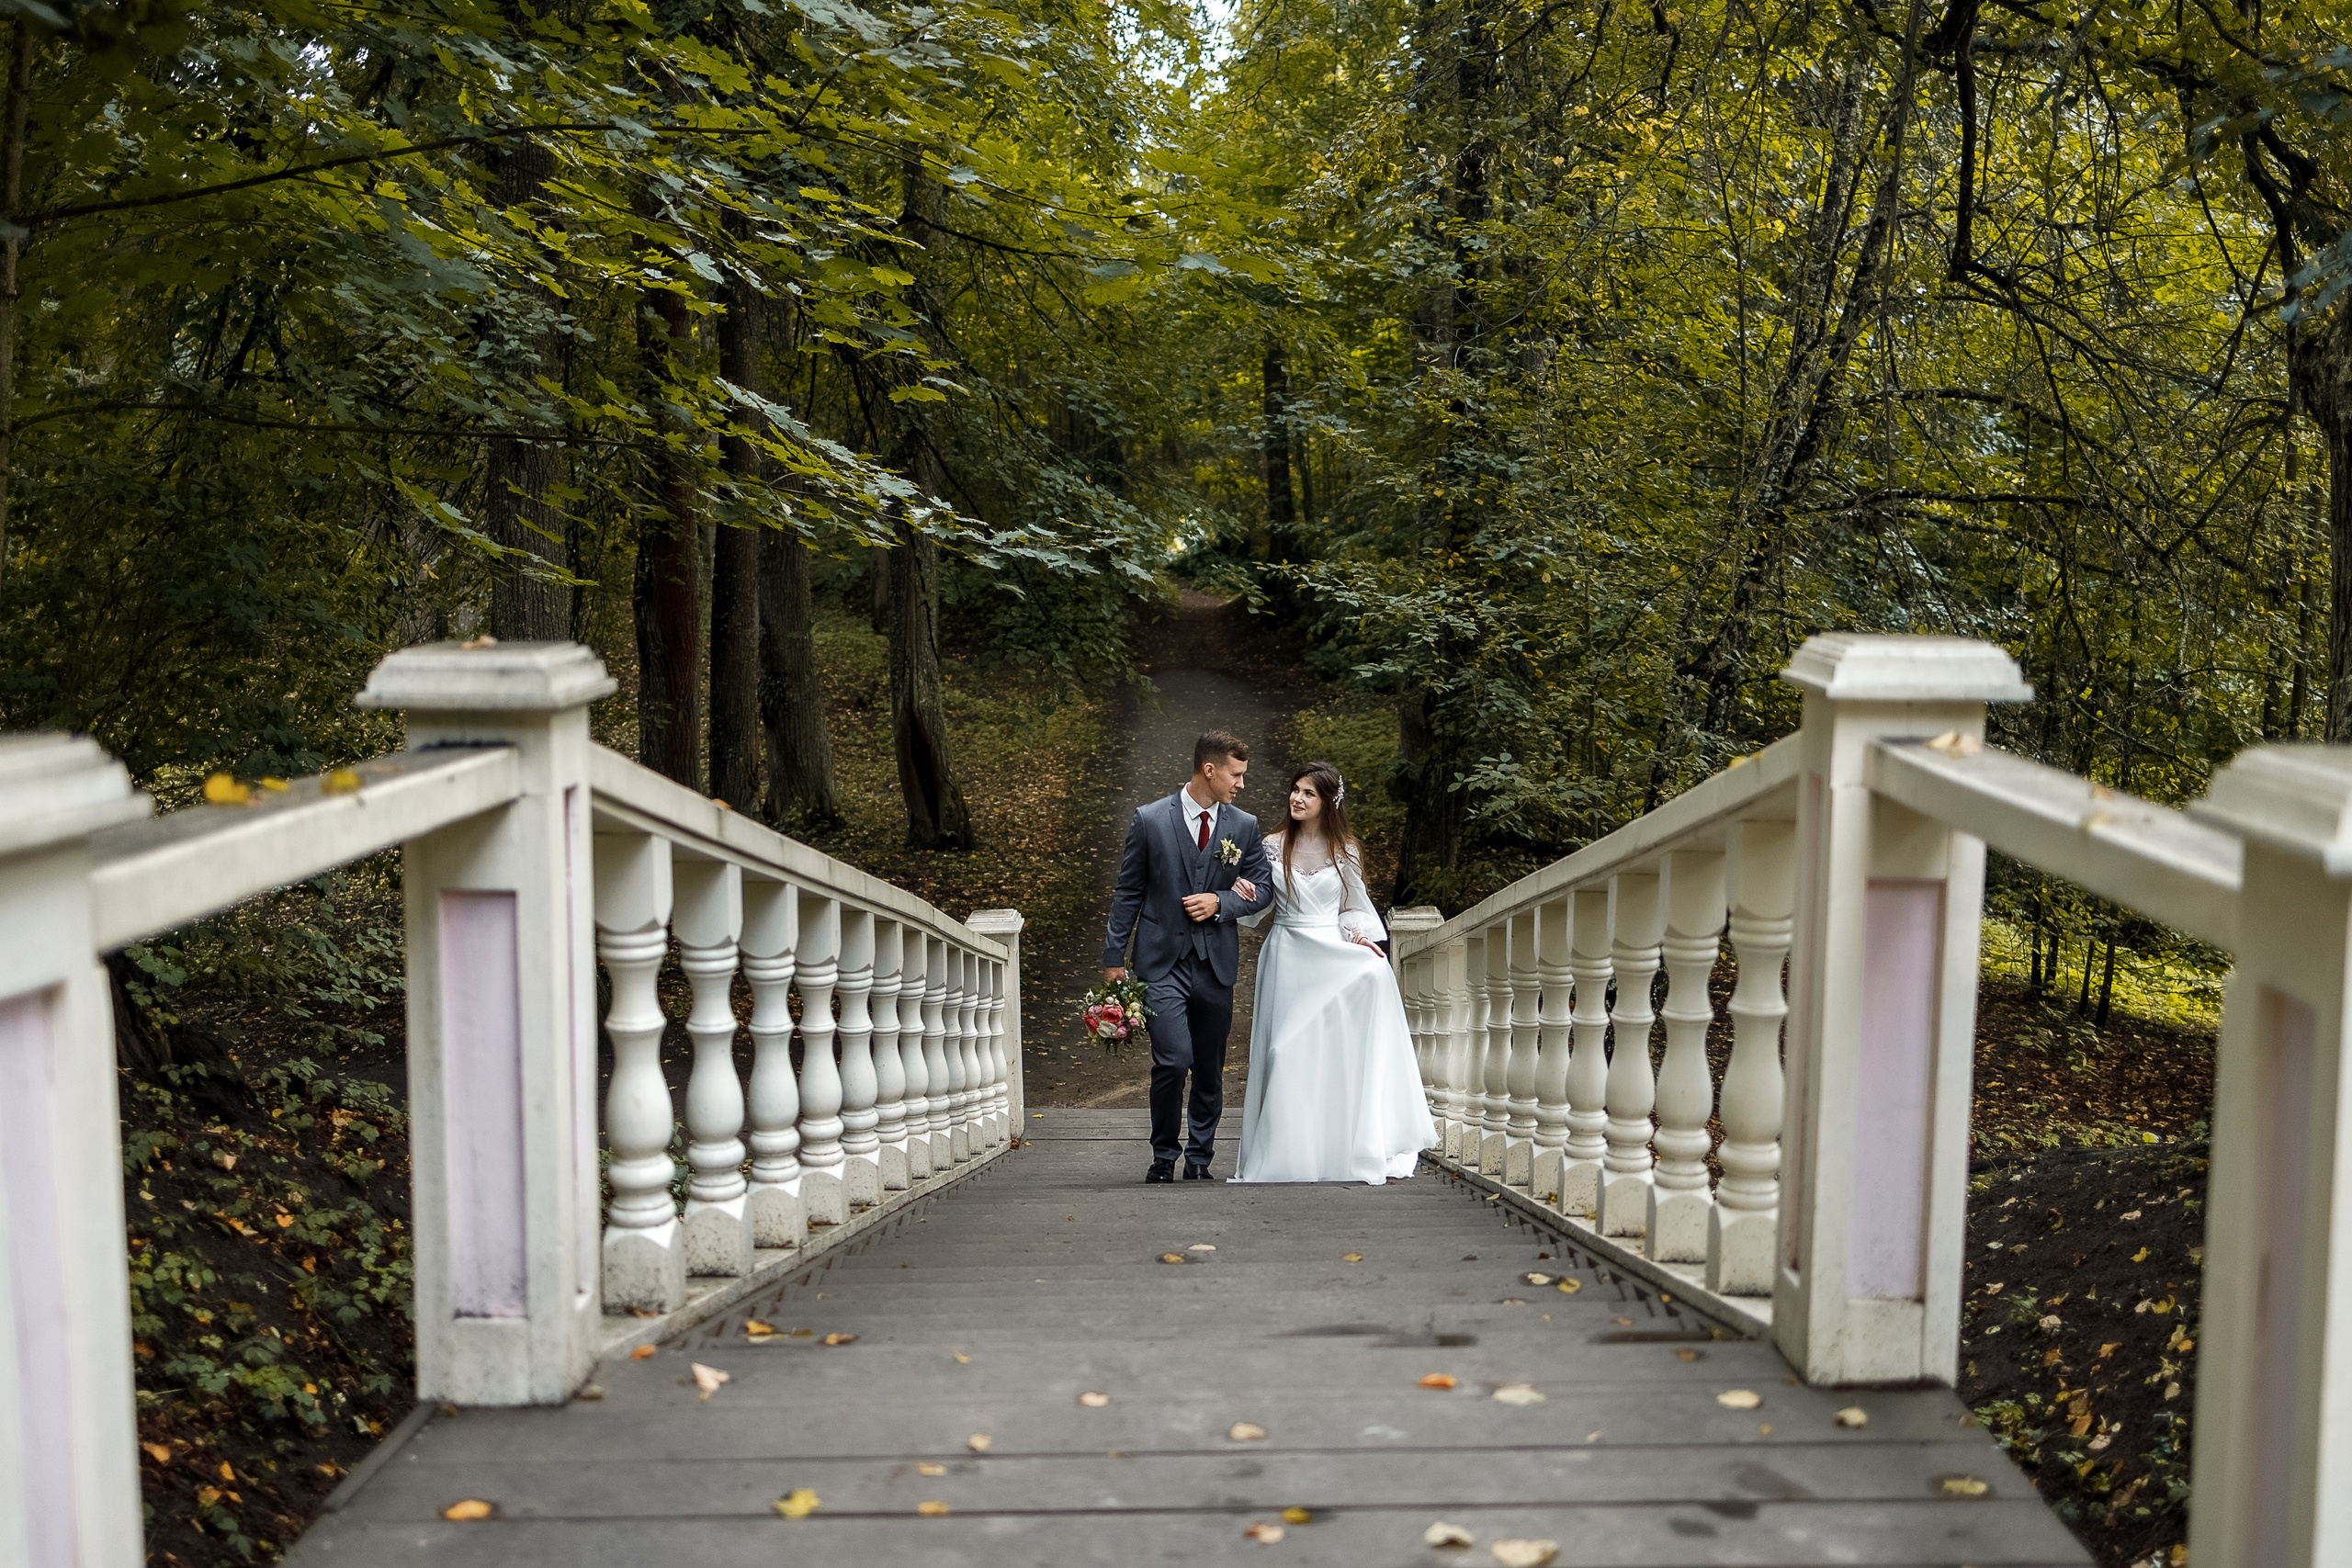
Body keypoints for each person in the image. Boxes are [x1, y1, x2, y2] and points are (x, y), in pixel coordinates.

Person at [1227, 761, 1436, 1185]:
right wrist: (1238, 892)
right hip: (1287, 954)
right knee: (1282, 1052)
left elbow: (1352, 907)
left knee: (1372, 977)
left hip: (1330, 953)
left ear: (1327, 803)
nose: (1297, 799)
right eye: (1295, 790)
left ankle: (1336, 1150)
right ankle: (1284, 1157)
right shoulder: (1271, 846)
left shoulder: (1346, 850)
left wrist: (1358, 935)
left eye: (1309, 793)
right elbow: (1260, 905)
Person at [1102, 729, 1274, 1182]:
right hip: (1160, 963)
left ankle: (1200, 1158)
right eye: (1235, 775)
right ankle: (1163, 1154)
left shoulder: (1244, 826)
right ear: (1209, 769)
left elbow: (1263, 889)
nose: (1241, 784)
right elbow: (1127, 892)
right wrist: (1113, 957)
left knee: (1210, 1067)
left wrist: (1222, 902)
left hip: (1215, 963)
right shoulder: (1150, 819)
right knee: (1174, 1060)